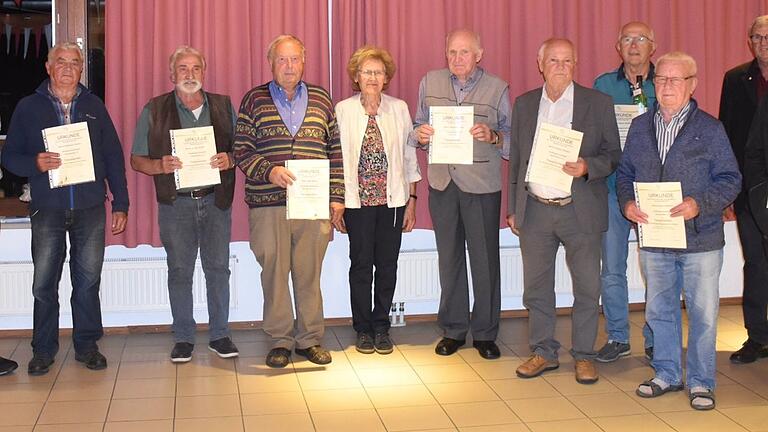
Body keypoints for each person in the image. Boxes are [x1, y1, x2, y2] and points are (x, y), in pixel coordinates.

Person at [617, 52, 741, 410]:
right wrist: (627, 204)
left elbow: (731, 179)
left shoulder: (710, 128)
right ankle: (667, 373)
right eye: (661, 80)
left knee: (703, 314)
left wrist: (699, 203)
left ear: (692, 84)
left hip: (700, 238)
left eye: (675, 80)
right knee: (660, 310)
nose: (667, 86)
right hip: (654, 239)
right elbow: (625, 174)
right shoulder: (640, 127)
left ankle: (701, 381)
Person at [1, 41, 129, 375]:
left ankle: (87, 346)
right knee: (44, 284)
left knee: (87, 281)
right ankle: (43, 350)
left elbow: (113, 157)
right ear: (48, 66)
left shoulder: (94, 106)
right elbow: (9, 157)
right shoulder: (28, 107)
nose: (68, 68)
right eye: (61, 62)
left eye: (75, 62)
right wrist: (35, 163)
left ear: (81, 69)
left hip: (89, 207)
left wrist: (122, 202)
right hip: (48, 208)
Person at [507, 38, 621, 384]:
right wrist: (514, 208)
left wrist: (588, 165)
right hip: (537, 210)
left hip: (580, 208)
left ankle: (584, 355)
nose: (559, 66)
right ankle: (544, 351)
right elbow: (517, 160)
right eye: (553, 60)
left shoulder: (597, 103)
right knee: (536, 287)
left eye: (567, 61)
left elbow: (614, 155)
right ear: (540, 64)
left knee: (587, 286)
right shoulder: (525, 104)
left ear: (576, 65)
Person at [234, 35, 344, 368]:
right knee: (274, 273)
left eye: (295, 59)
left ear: (304, 61)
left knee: (309, 274)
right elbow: (242, 149)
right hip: (268, 205)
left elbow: (335, 151)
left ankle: (309, 339)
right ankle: (280, 340)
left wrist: (336, 197)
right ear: (271, 63)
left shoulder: (323, 99)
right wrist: (269, 172)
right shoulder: (253, 99)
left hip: (312, 205)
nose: (289, 66)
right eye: (282, 60)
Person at [131, 45, 239, 363]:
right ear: (171, 73)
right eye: (183, 69)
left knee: (218, 269)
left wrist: (230, 159)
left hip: (215, 200)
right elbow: (137, 160)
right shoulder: (154, 109)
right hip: (175, 204)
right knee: (179, 272)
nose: (189, 75)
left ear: (203, 72)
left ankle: (220, 335)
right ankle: (183, 338)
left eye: (195, 68)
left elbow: (243, 149)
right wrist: (159, 166)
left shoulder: (223, 105)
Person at [412, 29, 510, 360]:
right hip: (442, 184)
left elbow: (512, 138)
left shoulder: (498, 88)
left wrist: (494, 135)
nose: (457, 59)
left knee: (485, 261)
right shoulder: (430, 81)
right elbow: (416, 128)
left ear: (479, 54)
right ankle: (453, 329)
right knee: (449, 260)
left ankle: (485, 332)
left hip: (481, 186)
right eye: (452, 52)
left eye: (464, 52)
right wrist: (421, 135)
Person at [335, 46, 421, 355]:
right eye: (366, 72)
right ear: (356, 77)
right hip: (356, 203)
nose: (372, 77)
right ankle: (362, 328)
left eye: (378, 72)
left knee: (387, 265)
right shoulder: (342, 110)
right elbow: (336, 159)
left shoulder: (398, 109)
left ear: (386, 78)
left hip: (393, 201)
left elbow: (410, 156)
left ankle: (382, 325)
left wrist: (412, 199)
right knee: (360, 265)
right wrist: (337, 203)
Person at [593, 21, 656, 363]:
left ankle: (655, 336)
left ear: (653, 46)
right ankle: (618, 336)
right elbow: (591, 133)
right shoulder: (603, 85)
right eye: (627, 39)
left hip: (656, 192)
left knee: (656, 267)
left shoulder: (667, 81)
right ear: (618, 46)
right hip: (614, 189)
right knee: (612, 268)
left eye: (641, 39)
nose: (634, 45)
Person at [720, 15, 768, 364]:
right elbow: (728, 136)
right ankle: (757, 337)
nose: (764, 42)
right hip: (751, 190)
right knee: (755, 264)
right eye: (758, 36)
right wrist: (729, 191)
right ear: (749, 41)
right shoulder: (735, 79)